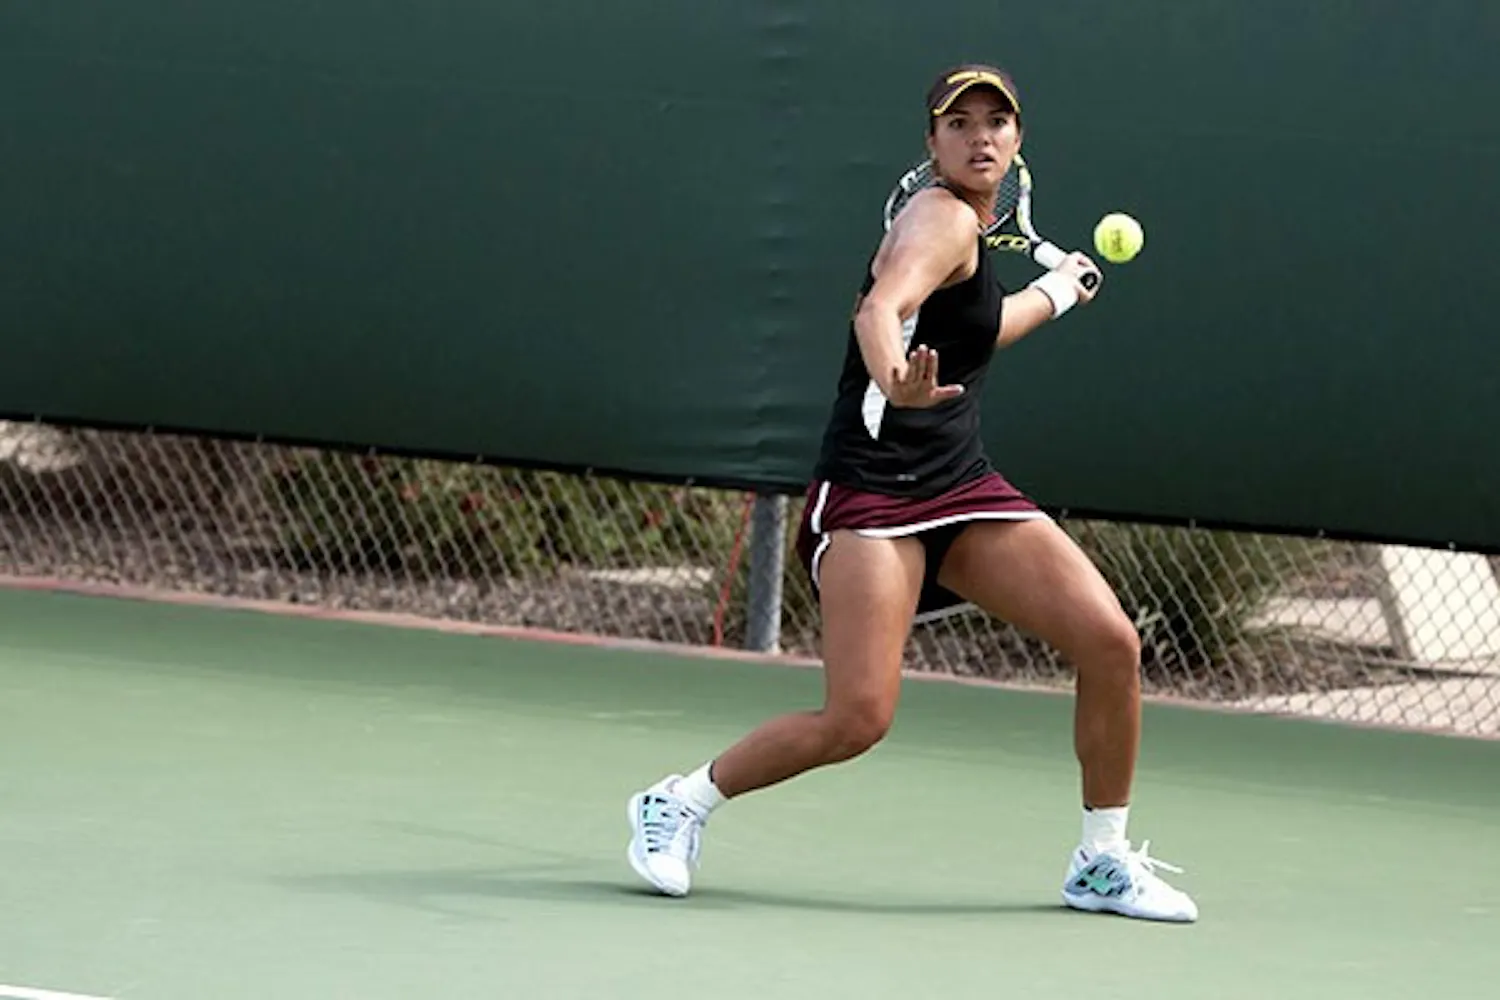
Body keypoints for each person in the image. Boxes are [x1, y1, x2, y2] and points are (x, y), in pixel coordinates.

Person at [624, 63, 1197, 923]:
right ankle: (678, 802)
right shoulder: (934, 217)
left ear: (1017, 141)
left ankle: (1101, 861)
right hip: (871, 494)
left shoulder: (971, 227)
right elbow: (881, 305)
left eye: (995, 123)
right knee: (856, 719)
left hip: (959, 486)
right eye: (958, 123)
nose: (980, 137)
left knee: (1111, 643)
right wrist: (893, 377)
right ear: (931, 144)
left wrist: (1054, 293)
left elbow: (972, 335)